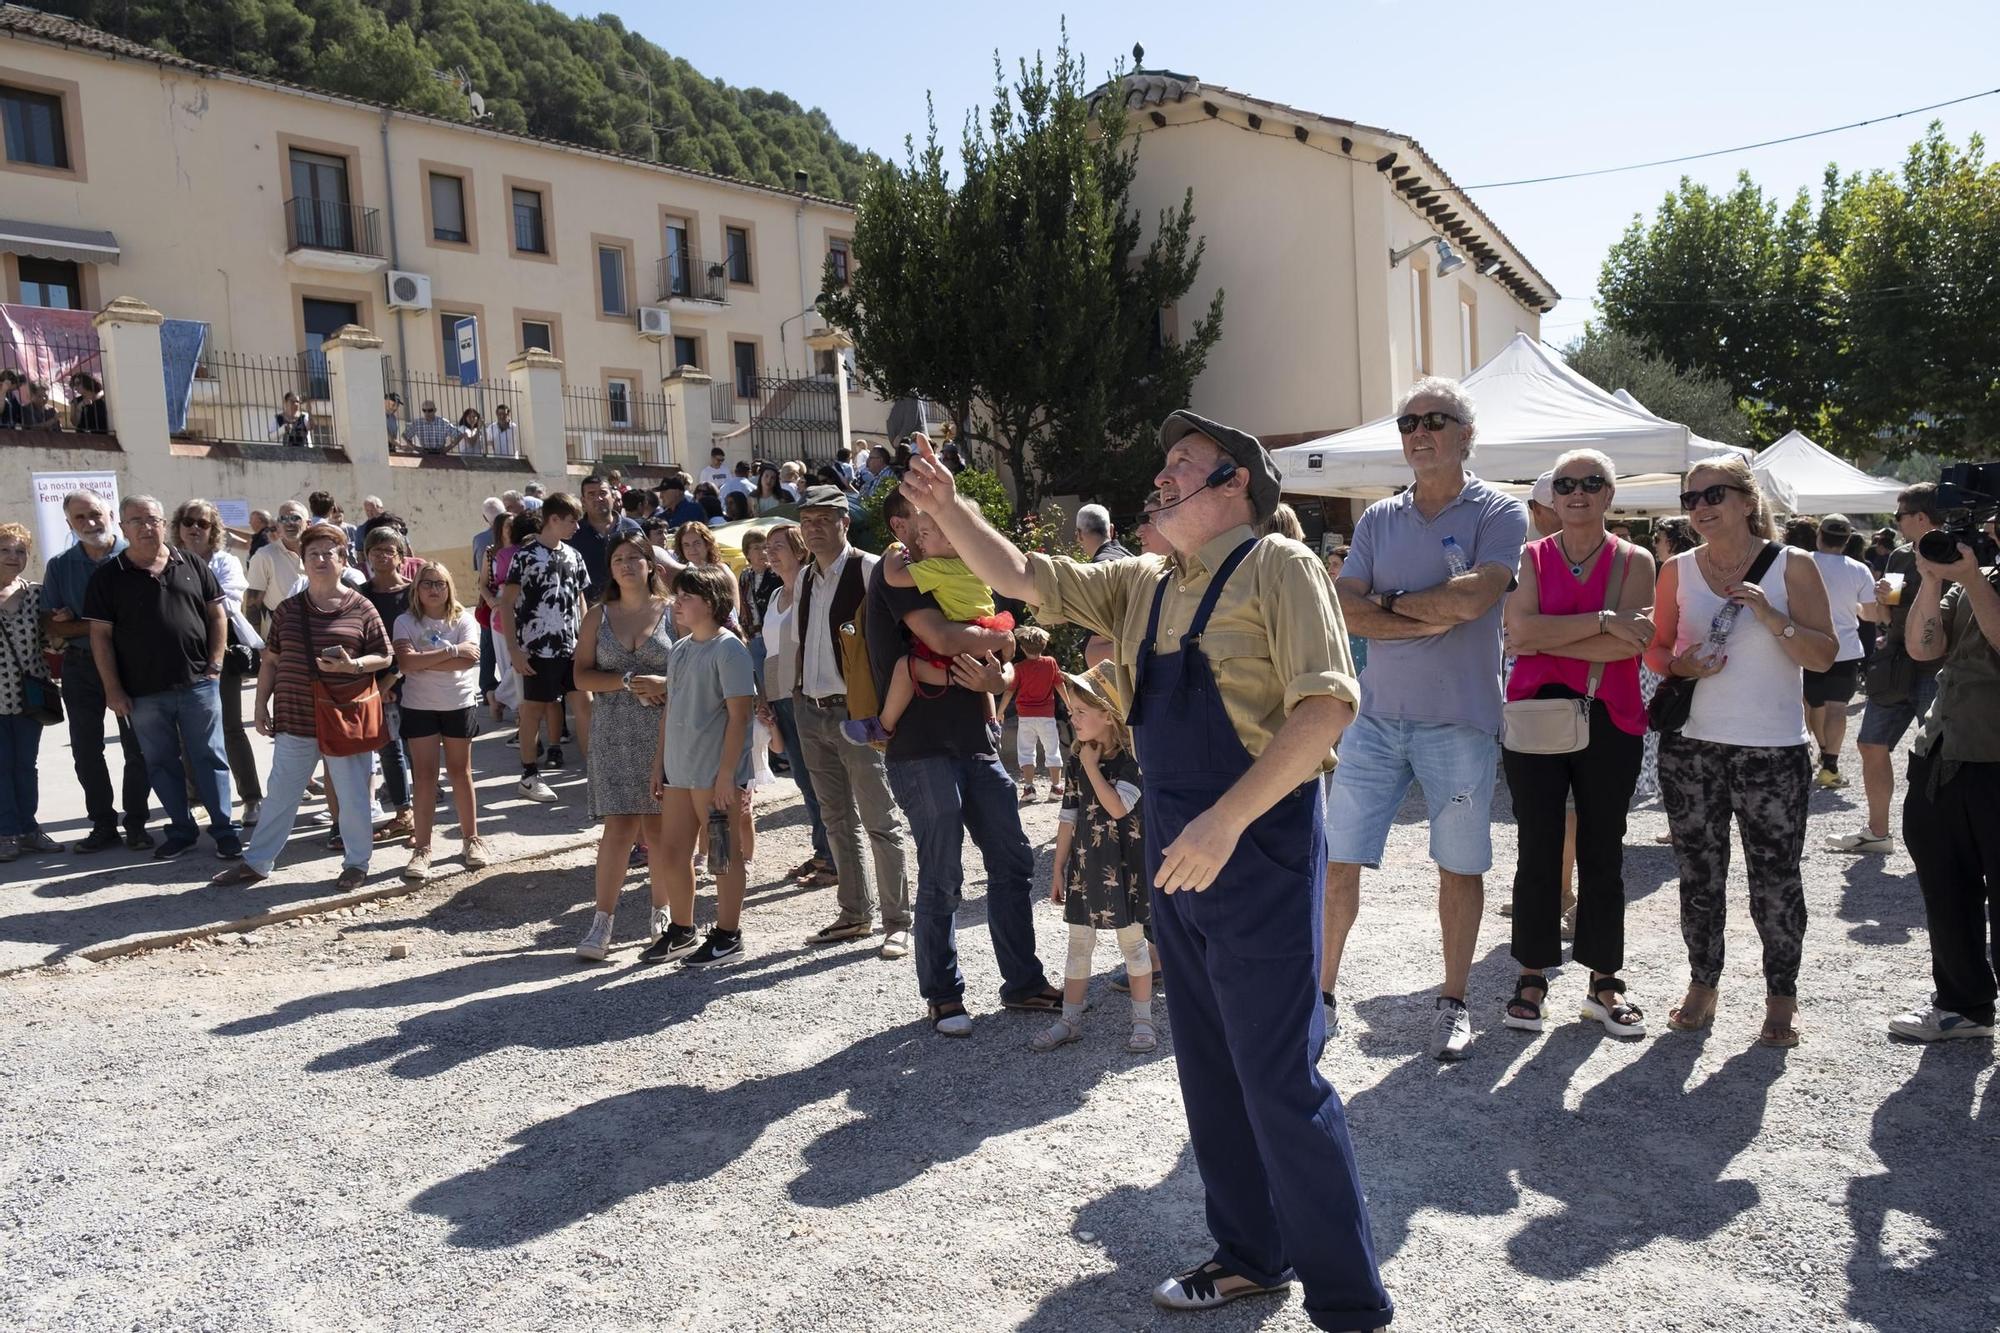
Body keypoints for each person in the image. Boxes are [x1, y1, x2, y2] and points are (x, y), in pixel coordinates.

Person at [900, 414, 1389, 1328]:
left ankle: (1352, 1306)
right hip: (1176, 840)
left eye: (1181, 464)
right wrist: (952, 507)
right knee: (1207, 1067)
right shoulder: (1145, 583)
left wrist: (1222, 822)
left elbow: (1326, 708)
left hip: (1255, 841)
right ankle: (1251, 1255)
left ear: (1235, 482)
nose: (1160, 477)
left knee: (1281, 1077)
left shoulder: (1283, 568)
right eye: (1161, 461)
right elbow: (1021, 577)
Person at [1322, 377, 1527, 1059]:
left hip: (1460, 719)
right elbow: (1342, 606)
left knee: (1459, 866)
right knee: (1337, 859)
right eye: (1408, 422)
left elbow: (1477, 600)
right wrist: (1426, 605)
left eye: (1435, 420)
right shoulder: (1380, 518)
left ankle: (1454, 1000)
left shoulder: (1499, 511)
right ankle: (1320, 997)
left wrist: (1390, 603)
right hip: (1375, 718)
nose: (1419, 432)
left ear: (1466, 434)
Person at [1644, 457, 1837, 1048]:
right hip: (1693, 747)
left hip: (1772, 752)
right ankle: (1704, 982)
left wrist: (1770, 617)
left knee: (1775, 880)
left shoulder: (1793, 565)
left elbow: (1824, 656)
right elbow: (1655, 651)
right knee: (1698, 876)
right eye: (1691, 496)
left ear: (1747, 501)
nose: (1700, 505)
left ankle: (1782, 995)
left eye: (1714, 493)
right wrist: (1681, 664)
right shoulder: (1677, 568)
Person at [867, 483, 1056, 1033]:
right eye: (918, 523)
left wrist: (1001, 674)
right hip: (920, 749)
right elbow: (945, 640)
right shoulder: (898, 573)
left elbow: (1010, 656)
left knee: (1014, 861)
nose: (922, 532)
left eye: (935, 523)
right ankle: (944, 995)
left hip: (976, 741)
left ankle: (1022, 983)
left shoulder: (966, 572)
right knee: (943, 872)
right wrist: (990, 649)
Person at [1498, 451, 1655, 1038]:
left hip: (1611, 720)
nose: (1578, 492)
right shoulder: (1529, 556)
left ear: (1609, 493)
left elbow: (1632, 644)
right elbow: (1520, 634)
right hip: (1537, 718)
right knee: (1536, 847)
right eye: (1565, 484)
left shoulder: (1635, 559)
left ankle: (1604, 980)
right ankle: (1531, 975)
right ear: (1549, 498)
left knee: (1603, 850)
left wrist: (1556, 639)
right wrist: (1605, 621)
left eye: (1591, 482)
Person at [210, 523, 390, 892]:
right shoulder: (289, 609)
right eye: (314, 554)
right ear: (304, 562)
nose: (321, 559)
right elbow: (272, 661)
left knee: (353, 795)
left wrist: (352, 666)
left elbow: (384, 656)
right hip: (295, 715)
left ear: (343, 560)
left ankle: (357, 864)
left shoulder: (362, 606)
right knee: (281, 794)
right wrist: (260, 706)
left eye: (329, 553)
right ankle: (257, 863)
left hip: (342, 716)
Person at [790, 486, 914, 953]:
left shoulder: (868, 568)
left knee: (880, 818)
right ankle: (853, 913)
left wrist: (884, 712)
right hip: (811, 708)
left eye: (824, 519)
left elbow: (894, 639)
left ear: (845, 521)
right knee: (835, 818)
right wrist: (794, 692)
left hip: (857, 712)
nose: (815, 528)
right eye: (808, 520)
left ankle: (897, 920)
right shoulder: (804, 578)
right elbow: (804, 640)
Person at [84, 495, 241, 861]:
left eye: (152, 519)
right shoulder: (108, 578)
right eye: (135, 520)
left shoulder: (192, 564)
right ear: (123, 528)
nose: (145, 526)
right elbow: (100, 638)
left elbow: (217, 616)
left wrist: (215, 666)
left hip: (199, 684)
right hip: (142, 693)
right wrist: (113, 689)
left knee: (211, 758)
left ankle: (224, 830)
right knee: (160, 763)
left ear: (163, 523)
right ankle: (182, 830)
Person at [1890, 526, 2000, 1040]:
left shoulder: (1980, 580)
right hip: (1943, 753)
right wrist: (1931, 580)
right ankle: (1962, 1005)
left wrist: (1973, 578)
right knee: (1946, 887)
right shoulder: (1973, 579)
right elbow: (1921, 648)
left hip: (1994, 756)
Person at [1034, 661, 1153, 1053]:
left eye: (1082, 712)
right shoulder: (1075, 758)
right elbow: (1068, 815)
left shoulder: (1133, 760)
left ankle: (1142, 1021)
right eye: (1072, 712)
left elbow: (1118, 808)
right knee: (1078, 944)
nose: (1074, 719)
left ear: (1109, 715)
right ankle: (1069, 1021)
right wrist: (1057, 866)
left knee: (1133, 946)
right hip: (1087, 867)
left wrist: (1091, 767)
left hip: (1125, 869)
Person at [573, 534, 680, 959]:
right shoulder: (597, 616)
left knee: (658, 829)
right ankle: (603, 923)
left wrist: (665, 684)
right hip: (613, 731)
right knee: (617, 829)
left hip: (665, 730)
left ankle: (662, 913)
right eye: (618, 558)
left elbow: (695, 668)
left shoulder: (674, 612)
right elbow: (581, 676)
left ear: (651, 564)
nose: (626, 564)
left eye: (635, 556)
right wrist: (626, 681)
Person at [649, 563, 758, 967]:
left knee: (722, 855)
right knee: (672, 852)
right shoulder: (680, 648)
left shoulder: (729, 649)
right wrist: (659, 762)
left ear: (711, 603)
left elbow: (740, 716)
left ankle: (729, 936)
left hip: (714, 775)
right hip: (680, 772)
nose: (677, 604)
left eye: (686, 597)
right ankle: (682, 930)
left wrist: (728, 774)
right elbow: (670, 709)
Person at [1831, 485, 1946, 855]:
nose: (1896, 524)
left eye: (1899, 516)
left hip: (1939, 669)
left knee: (1942, 755)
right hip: (1896, 665)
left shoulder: (1959, 555)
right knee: (1870, 743)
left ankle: (1947, 839)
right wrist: (1881, 602)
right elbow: (1885, 616)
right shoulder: (1899, 557)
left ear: (1921, 518)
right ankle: (1878, 832)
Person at [839, 507, 1014, 748]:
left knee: (906, 669)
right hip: (986, 632)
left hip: (960, 643)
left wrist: (894, 550)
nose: (919, 540)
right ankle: (992, 722)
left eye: (925, 534)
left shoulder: (937, 568)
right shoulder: (975, 564)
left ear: (951, 542)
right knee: (982, 675)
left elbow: (894, 578)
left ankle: (883, 725)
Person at [43, 490, 154, 852]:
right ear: (69, 523)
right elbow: (53, 626)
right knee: (86, 749)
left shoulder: (134, 557)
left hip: (132, 664)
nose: (90, 523)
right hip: (80, 667)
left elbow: (140, 622)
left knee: (137, 748)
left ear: (110, 514)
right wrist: (102, 625)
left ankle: (137, 822)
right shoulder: (60, 565)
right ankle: (103, 824)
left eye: (95, 514)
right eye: (80, 518)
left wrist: (82, 622)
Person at [393, 562, 488, 882]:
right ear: (416, 589)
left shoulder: (463, 618)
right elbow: (406, 663)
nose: (434, 589)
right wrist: (451, 651)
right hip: (420, 706)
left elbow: (471, 658)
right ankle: (422, 848)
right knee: (424, 777)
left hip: (458, 704)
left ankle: (471, 840)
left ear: (449, 587)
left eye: (440, 583)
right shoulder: (405, 621)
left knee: (461, 773)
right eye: (427, 583)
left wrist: (427, 660)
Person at [172, 499, 264, 826]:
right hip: (178, 654)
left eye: (203, 523)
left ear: (214, 530)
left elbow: (224, 605)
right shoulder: (168, 560)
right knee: (187, 731)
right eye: (188, 521)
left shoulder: (226, 562)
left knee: (230, 728)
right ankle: (195, 797)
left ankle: (251, 798)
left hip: (219, 653)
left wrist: (182, 604)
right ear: (178, 527)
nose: (195, 528)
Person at [756, 523, 836, 886]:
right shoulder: (774, 596)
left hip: (805, 692)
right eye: (767, 548)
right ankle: (823, 851)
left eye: (778, 547)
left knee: (819, 779)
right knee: (803, 778)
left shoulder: (811, 589)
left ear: (800, 550)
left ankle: (834, 858)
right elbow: (771, 651)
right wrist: (764, 698)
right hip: (779, 694)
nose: (770, 553)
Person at [499, 492, 588, 801]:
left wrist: (586, 640)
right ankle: (528, 775)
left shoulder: (574, 556)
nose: (577, 526)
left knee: (585, 705)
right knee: (532, 711)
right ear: (553, 519)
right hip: (536, 649)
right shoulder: (524, 556)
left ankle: (595, 774)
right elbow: (506, 603)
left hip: (572, 648)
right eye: (572, 520)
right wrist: (514, 649)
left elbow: (580, 599)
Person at [1804, 514, 1884, 790]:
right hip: (1845, 647)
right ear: (1847, 540)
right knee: (1837, 707)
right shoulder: (1858, 569)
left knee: (1813, 703)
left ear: (1819, 535)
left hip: (1808, 644)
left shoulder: (1802, 561)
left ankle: (1818, 750)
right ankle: (1830, 764)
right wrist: (1856, 609)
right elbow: (1872, 613)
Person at [0, 523, 59, 860]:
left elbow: (53, 642)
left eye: (20, 551)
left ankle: (29, 829)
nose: (14, 556)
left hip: (29, 699)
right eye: (6, 549)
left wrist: (61, 623)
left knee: (26, 766)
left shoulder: (37, 594)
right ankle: (6, 833)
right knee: (1, 767)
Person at [360, 529, 416, 841]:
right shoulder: (361, 595)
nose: (382, 556)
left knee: (419, 746)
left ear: (400, 556)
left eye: (388, 550)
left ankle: (423, 815)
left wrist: (397, 674)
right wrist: (378, 681)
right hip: (380, 684)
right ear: (366, 556)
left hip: (417, 678)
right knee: (390, 748)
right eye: (375, 550)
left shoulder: (414, 592)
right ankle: (403, 812)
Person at [1002, 625, 1063, 801]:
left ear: (1022, 648)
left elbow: (1009, 691)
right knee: (1052, 750)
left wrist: (1000, 712)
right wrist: (1069, 704)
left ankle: (1029, 789)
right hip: (1047, 716)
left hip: (1025, 717)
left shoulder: (1019, 668)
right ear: (1043, 645)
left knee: (1026, 752)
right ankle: (1056, 788)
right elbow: (1060, 685)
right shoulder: (1050, 662)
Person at [571, 474, 643, 601]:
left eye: (603, 493)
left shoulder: (631, 528)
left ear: (613, 497)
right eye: (591, 494)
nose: (598, 498)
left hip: (629, 605)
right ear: (583, 501)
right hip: (589, 609)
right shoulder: (574, 533)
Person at [1075, 502, 1130, 667]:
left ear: (1078, 535)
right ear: (1111, 530)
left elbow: (1098, 649)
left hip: (1119, 674)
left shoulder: (1097, 572)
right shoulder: (1132, 559)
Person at [243, 502, 307, 630]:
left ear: (308, 523)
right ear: (278, 525)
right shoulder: (264, 556)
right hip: (281, 635)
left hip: (317, 630)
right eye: (283, 519)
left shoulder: (318, 553)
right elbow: (252, 605)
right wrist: (255, 646)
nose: (289, 523)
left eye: (295, 518)